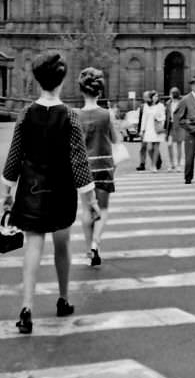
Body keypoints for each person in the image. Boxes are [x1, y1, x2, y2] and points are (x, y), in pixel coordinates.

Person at [1, 50, 100, 335]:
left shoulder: (26, 114)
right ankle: (63, 298)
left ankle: (26, 308)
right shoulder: (69, 116)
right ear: (60, 82)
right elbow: (79, 161)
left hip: (31, 189)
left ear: (37, 81)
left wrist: (7, 192)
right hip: (61, 190)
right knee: (62, 244)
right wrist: (90, 200)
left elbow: (13, 158)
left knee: (33, 246)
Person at [76, 67, 118, 267]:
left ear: (82, 91)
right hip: (104, 165)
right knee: (103, 208)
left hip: (84, 167)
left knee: (86, 210)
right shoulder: (107, 114)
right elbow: (116, 140)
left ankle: (88, 249)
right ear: (100, 91)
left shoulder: (74, 116)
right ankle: (95, 244)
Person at [139, 90, 165, 172]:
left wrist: (159, 118)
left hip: (157, 128)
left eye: (157, 96)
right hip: (149, 129)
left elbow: (164, 117)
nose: (156, 98)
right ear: (151, 97)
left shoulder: (161, 106)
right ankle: (156, 162)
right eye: (154, 96)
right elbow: (144, 118)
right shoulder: (146, 106)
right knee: (149, 148)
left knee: (156, 148)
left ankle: (153, 165)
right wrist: (142, 130)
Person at [165, 87, 185, 171]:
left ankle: (179, 164)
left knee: (179, 145)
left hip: (179, 126)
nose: (170, 95)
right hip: (170, 126)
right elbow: (166, 115)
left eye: (171, 93)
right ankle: (171, 163)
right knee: (169, 144)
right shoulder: (168, 103)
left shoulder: (181, 103)